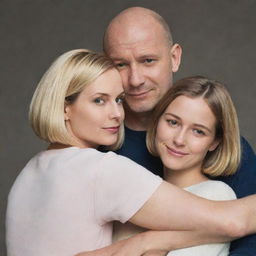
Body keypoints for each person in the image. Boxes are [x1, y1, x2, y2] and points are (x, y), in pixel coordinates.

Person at [5, 49, 256, 256]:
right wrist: (142, 245)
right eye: (99, 100)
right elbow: (234, 221)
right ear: (65, 108)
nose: (117, 113)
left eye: (119, 99)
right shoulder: (100, 170)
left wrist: (144, 243)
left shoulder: (28, 173)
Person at [102, 6, 256, 255]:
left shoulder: (230, 154)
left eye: (148, 60)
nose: (135, 79)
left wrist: (145, 243)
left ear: (174, 58)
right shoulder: (98, 148)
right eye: (120, 64)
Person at [113, 76, 239, 255]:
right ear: (157, 122)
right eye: (173, 122)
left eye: (198, 131)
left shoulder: (216, 196)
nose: (179, 140)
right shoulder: (141, 190)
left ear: (214, 142)